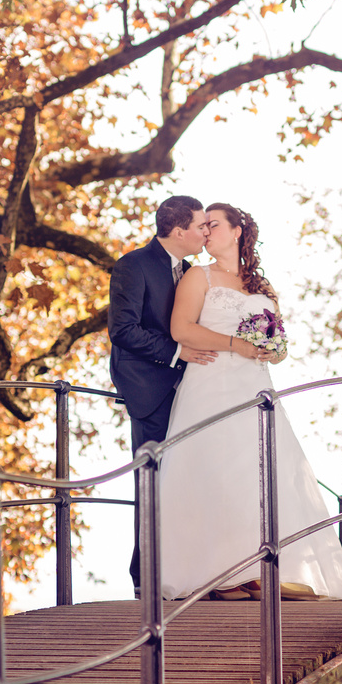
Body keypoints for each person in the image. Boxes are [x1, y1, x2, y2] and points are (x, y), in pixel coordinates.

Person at [156, 202, 342, 601]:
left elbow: (279, 348)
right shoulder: (198, 276)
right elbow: (182, 330)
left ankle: (262, 571)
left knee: (261, 474)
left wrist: (270, 350)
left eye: (213, 225)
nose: (206, 233)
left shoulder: (261, 287)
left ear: (237, 231)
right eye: (202, 226)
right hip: (212, 383)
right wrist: (236, 345)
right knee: (220, 471)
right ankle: (222, 577)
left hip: (256, 388)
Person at [107, 195, 217, 592]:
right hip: (148, 390)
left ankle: (187, 572)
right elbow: (123, 330)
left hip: (189, 390)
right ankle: (146, 581)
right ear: (178, 230)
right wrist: (176, 352)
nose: (206, 231)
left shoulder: (190, 272)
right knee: (152, 483)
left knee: (186, 481)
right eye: (202, 225)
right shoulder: (133, 265)